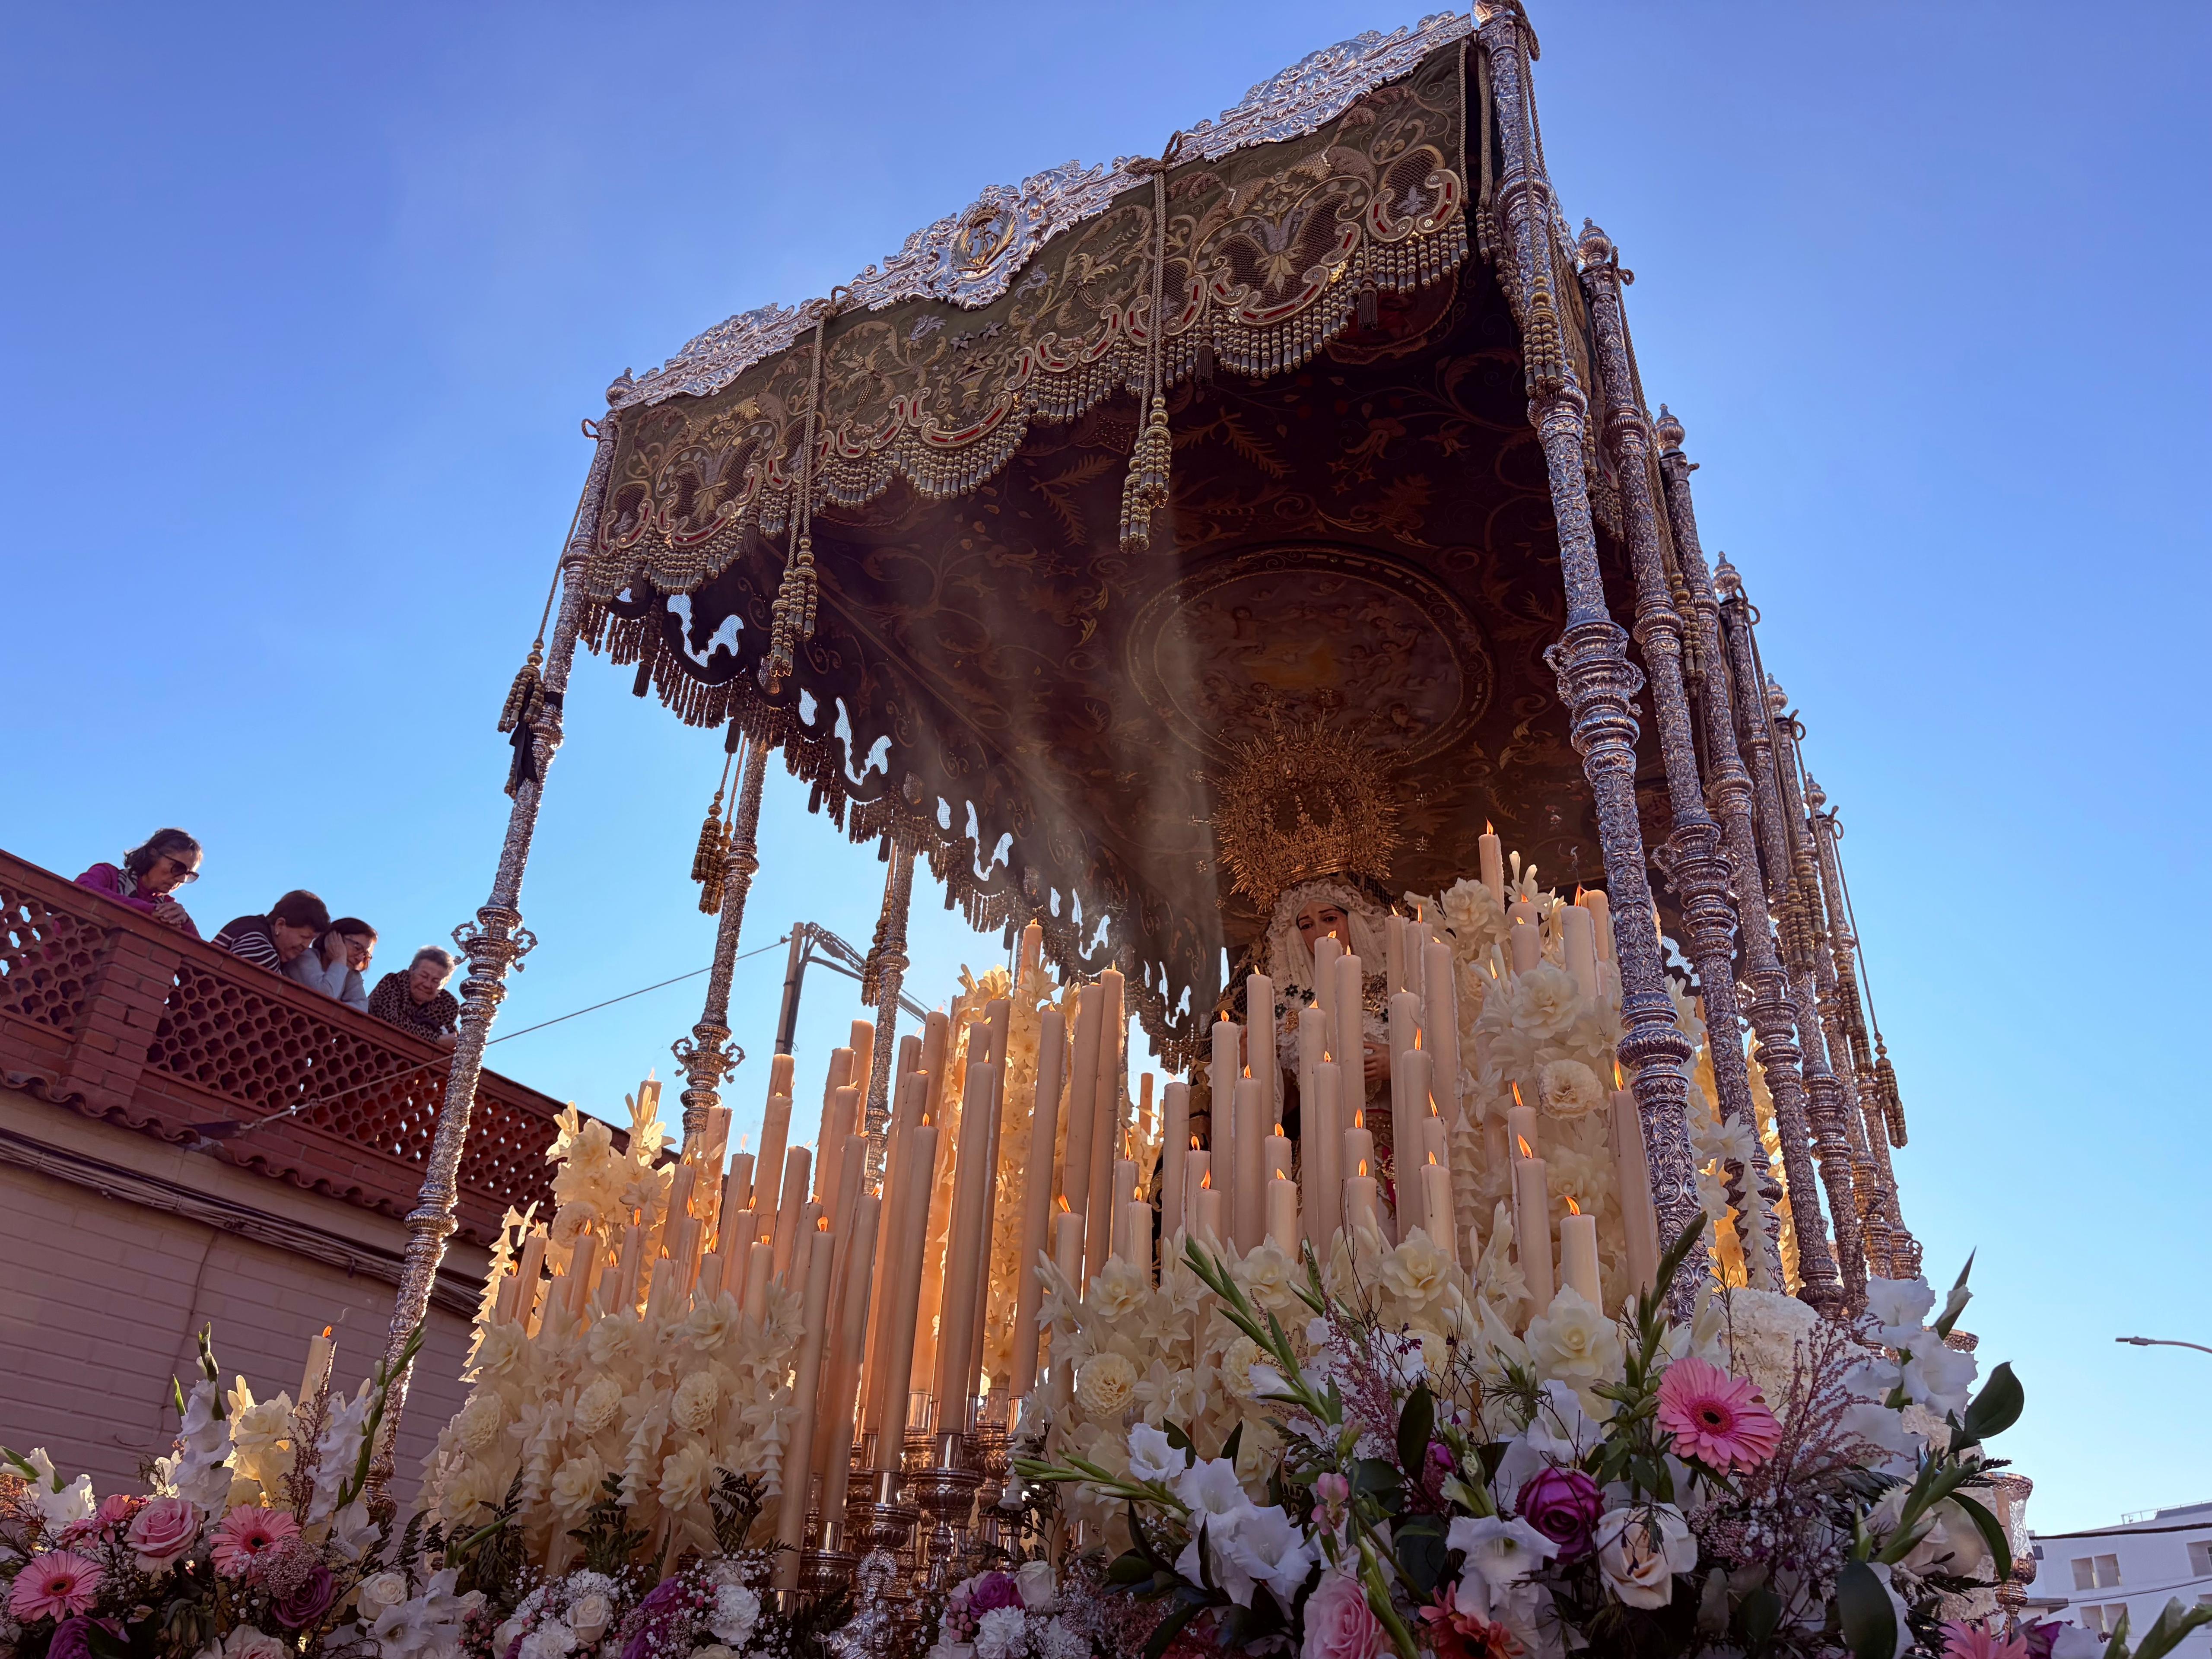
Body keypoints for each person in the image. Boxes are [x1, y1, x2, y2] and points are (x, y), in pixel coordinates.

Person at [76, 829, 204, 937]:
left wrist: (186, 922)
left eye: (188, 875)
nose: (181, 879)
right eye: (178, 868)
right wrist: (149, 911)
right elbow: (81, 888)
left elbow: (202, 959)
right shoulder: (109, 875)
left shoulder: (169, 910)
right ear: (154, 854)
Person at [213, 891, 331, 972]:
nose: (306, 946)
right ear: (280, 925)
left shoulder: (248, 924)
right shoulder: (262, 951)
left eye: (311, 940)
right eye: (304, 936)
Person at [369, 947, 461, 1049]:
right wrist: (435, 1039)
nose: (427, 984)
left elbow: (451, 1040)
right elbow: (389, 1020)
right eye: (424, 976)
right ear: (411, 970)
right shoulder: (393, 982)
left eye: (436, 981)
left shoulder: (447, 1004)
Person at [284, 917, 376, 1014]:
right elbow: (324, 997)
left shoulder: (351, 975)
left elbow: (361, 1008)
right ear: (334, 938)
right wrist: (339, 959)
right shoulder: (305, 956)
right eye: (357, 947)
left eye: (365, 954)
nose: (360, 958)